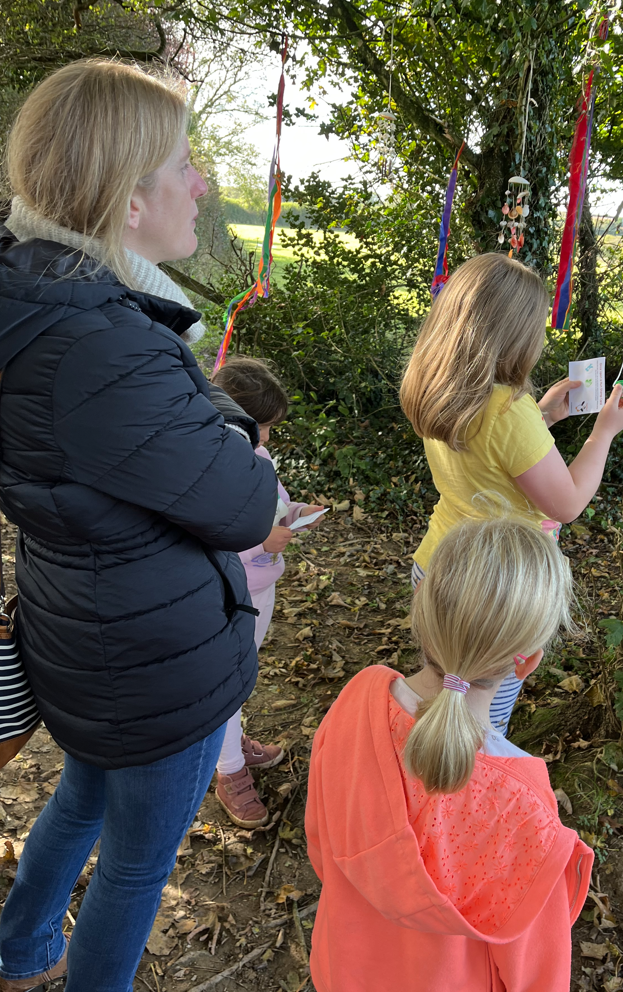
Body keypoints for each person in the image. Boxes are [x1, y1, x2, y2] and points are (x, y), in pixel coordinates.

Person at [0, 59, 278, 992]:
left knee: (81, 797)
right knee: (134, 866)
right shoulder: (107, 345)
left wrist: (199, 406)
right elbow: (246, 505)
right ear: (127, 200)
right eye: (185, 165)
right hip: (153, 661)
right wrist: (234, 428)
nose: (202, 184)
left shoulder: (38, 297)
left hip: (80, 628)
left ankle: (21, 948)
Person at [305, 517, 593, 992]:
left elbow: (322, 845)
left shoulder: (359, 699)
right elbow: (537, 975)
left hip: (343, 971)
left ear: (419, 606)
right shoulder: (524, 806)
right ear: (527, 661)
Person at [400, 253, 623, 732]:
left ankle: (418, 764)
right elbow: (567, 503)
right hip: (497, 591)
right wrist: (604, 432)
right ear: (516, 335)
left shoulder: (438, 388)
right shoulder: (508, 410)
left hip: (439, 569)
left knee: (439, 693)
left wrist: (544, 416)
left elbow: (488, 459)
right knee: (480, 720)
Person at [208, 357, 325, 827]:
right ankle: (228, 770)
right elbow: (214, 529)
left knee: (241, 675)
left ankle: (230, 744)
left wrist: (294, 513)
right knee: (226, 683)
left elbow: (272, 504)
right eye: (264, 426)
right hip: (232, 591)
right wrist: (263, 541)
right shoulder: (217, 464)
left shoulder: (257, 456)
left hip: (261, 586)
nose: (269, 437)